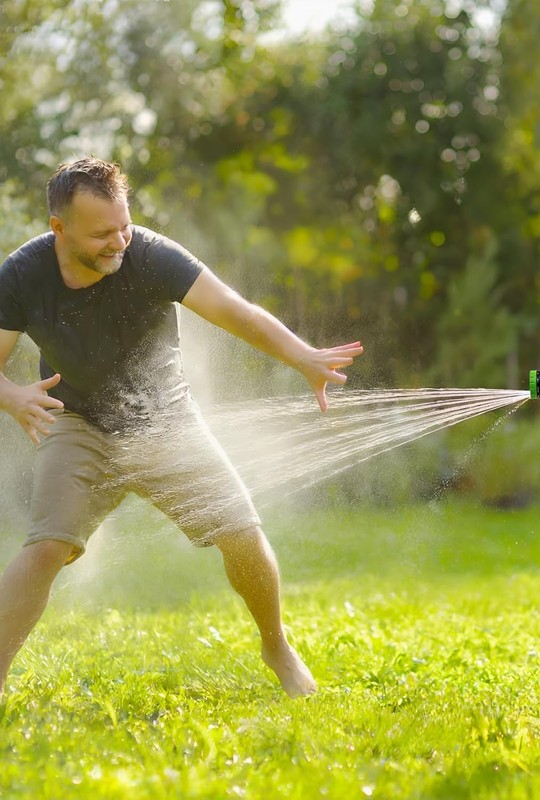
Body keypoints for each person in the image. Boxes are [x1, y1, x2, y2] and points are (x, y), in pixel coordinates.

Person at [0, 156, 363, 699]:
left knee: (241, 533)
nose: (118, 241)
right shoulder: (23, 275)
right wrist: (12, 398)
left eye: (123, 225)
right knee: (46, 547)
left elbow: (236, 312)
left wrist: (302, 356)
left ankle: (276, 645)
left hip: (164, 419)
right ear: (59, 228)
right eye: (101, 233)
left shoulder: (150, 255)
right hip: (76, 423)